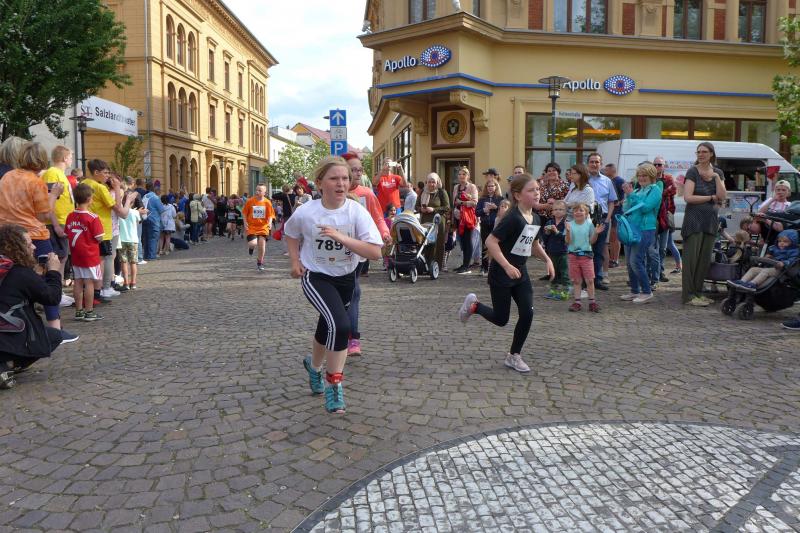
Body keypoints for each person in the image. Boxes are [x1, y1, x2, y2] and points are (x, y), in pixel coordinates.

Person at [284, 156, 383, 414]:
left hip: (346, 278)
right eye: (334, 178)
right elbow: (290, 232)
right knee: (341, 325)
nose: (341, 183)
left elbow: (375, 252)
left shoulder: (356, 212)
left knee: (326, 324)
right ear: (319, 183)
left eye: (345, 178)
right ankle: (334, 384)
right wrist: (295, 261)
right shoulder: (307, 211)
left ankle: (314, 367)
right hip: (316, 276)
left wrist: (341, 237)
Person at [458, 174, 554, 373]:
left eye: (537, 189)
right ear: (517, 195)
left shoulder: (536, 218)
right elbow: (490, 242)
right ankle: (474, 306)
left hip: (520, 273)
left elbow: (534, 244)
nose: (537, 193)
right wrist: (507, 266)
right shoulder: (512, 218)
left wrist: (547, 260)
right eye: (531, 190)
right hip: (502, 273)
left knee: (527, 313)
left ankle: (514, 355)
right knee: (501, 319)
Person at [0, 225, 78, 389]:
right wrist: (54, 272)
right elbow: (52, 298)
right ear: (16, 247)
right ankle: (9, 364)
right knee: (55, 336)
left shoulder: (11, 270)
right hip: (8, 335)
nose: (34, 247)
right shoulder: (20, 272)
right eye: (29, 244)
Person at [0, 142, 66, 328]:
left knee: (16, 278)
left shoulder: (7, 177)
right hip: (35, 235)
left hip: (9, 235)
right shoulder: (35, 182)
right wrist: (53, 194)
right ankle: (55, 328)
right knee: (49, 276)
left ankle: (23, 325)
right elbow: (43, 215)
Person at [344, 159, 391, 356]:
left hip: (358, 251)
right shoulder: (335, 192)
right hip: (334, 253)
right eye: (353, 169)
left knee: (354, 292)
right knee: (340, 295)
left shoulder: (367, 193)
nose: (357, 173)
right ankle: (337, 331)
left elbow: (378, 217)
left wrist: (385, 233)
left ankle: (353, 338)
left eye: (360, 170)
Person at [681, 142, 727, 306]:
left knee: (704, 261)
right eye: (698, 152)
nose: (701, 154)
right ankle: (688, 296)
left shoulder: (718, 172)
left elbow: (722, 196)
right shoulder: (692, 171)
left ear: (711, 154)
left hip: (710, 220)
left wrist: (716, 178)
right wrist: (710, 198)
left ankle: (698, 293)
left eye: (704, 152)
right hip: (694, 219)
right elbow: (688, 197)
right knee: (691, 261)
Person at [619, 163, 663, 305]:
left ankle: (646, 292)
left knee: (636, 261)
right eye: (639, 175)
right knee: (629, 262)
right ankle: (634, 290)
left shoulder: (655, 190)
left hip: (645, 229)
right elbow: (626, 208)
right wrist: (628, 196)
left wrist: (631, 195)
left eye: (645, 175)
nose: (642, 178)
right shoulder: (638, 190)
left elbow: (645, 208)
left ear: (651, 176)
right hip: (632, 229)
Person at [64, 184, 105, 321]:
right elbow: (99, 237)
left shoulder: (70, 216)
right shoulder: (92, 217)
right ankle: (89, 311)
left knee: (78, 282)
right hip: (90, 255)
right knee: (89, 283)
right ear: (89, 199)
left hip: (76, 254)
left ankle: (79, 311)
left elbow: (67, 233)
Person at [41, 146, 75, 294]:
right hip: (56, 222)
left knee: (62, 257)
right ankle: (56, 293)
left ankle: (58, 292)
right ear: (65, 158)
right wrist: (55, 225)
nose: (72, 160)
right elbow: (49, 199)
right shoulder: (52, 173)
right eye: (71, 157)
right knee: (58, 258)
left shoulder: (60, 174)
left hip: (63, 221)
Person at [585, 153, 617, 290]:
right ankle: (584, 280)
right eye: (591, 162)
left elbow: (611, 202)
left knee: (598, 251)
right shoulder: (582, 179)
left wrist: (608, 219)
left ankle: (596, 279)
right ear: (588, 164)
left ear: (601, 164)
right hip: (585, 219)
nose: (594, 164)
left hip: (602, 219)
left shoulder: (607, 181)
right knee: (585, 249)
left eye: (597, 162)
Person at [565, 203, 604, 312]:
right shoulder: (569, 224)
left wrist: (596, 233)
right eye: (575, 210)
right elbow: (568, 241)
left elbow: (591, 241)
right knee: (576, 281)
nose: (578, 212)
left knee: (590, 280)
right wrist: (567, 231)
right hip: (573, 256)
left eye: (581, 210)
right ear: (573, 213)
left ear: (586, 214)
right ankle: (577, 302)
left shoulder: (589, 224)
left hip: (586, 256)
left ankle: (592, 302)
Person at [729, 230, 798, 290]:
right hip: (770, 267)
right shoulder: (774, 248)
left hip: (781, 270)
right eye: (779, 241)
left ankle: (753, 284)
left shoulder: (794, 251)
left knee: (765, 271)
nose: (781, 243)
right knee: (753, 269)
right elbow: (768, 257)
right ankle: (742, 281)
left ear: (792, 242)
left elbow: (792, 260)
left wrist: (784, 263)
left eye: (785, 241)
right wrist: (767, 257)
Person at [415, 173, 451, 275]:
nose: (431, 184)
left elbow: (447, 207)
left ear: (437, 182)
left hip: (438, 221)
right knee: (426, 243)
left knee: (437, 244)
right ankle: (426, 265)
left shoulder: (441, 192)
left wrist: (434, 209)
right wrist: (421, 209)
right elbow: (416, 206)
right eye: (429, 182)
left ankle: (436, 266)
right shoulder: (423, 192)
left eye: (433, 182)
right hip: (425, 220)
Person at [651, 156, 677, 286]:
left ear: (664, 166)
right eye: (655, 164)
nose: (657, 167)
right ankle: (654, 273)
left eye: (659, 164)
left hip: (665, 217)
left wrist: (661, 193)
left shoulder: (668, 178)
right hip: (652, 217)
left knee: (662, 248)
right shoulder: (649, 178)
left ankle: (660, 271)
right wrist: (664, 192)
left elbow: (673, 190)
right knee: (653, 248)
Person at [452, 167, 479, 274]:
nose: (461, 176)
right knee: (462, 241)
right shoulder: (456, 187)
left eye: (463, 174)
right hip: (458, 217)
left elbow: (475, 202)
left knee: (468, 241)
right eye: (459, 174)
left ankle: (466, 265)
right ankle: (464, 264)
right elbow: (454, 202)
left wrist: (463, 202)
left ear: (468, 176)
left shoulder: (472, 187)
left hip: (468, 218)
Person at [242, 183, 275, 271]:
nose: (257, 192)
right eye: (256, 190)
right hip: (252, 227)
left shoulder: (267, 202)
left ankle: (260, 262)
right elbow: (244, 213)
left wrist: (270, 223)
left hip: (263, 227)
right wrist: (245, 222)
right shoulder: (250, 201)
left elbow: (271, 215)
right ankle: (251, 248)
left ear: (264, 192)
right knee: (252, 243)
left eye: (260, 190)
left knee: (262, 245)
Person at [542, 200, 570, 300]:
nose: (558, 211)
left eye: (561, 209)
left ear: (565, 211)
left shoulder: (566, 223)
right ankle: (553, 291)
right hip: (552, 251)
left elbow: (566, 239)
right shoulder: (550, 222)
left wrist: (556, 231)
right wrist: (547, 233)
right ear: (552, 211)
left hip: (563, 252)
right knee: (553, 272)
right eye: (556, 209)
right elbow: (544, 238)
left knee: (564, 273)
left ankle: (565, 292)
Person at [476, 177, 503, 276]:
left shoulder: (500, 198)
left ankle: (496, 267)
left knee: (497, 246)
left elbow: (505, 211)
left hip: (496, 225)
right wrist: (484, 210)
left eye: (492, 186)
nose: (490, 188)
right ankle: (484, 267)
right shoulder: (482, 199)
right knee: (485, 245)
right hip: (485, 225)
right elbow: (476, 212)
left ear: (496, 187)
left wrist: (496, 208)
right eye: (488, 186)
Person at [117, 188, 142, 291]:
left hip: (122, 239)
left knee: (124, 262)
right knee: (133, 262)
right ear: (133, 202)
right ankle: (133, 282)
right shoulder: (135, 212)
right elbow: (137, 224)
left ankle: (126, 283)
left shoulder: (120, 212)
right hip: (133, 239)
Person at [604, 163, 626, 269]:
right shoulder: (609, 181)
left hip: (618, 213)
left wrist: (619, 202)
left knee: (615, 238)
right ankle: (611, 259)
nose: (604, 172)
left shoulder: (620, 181)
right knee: (612, 238)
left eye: (606, 170)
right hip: (611, 212)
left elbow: (627, 195)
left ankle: (615, 260)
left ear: (612, 170)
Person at [141, 182, 164, 260]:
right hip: (154, 220)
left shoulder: (144, 196)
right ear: (153, 188)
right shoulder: (155, 197)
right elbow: (161, 210)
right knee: (153, 238)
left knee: (146, 238)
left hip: (145, 219)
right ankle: (152, 256)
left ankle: (146, 255)